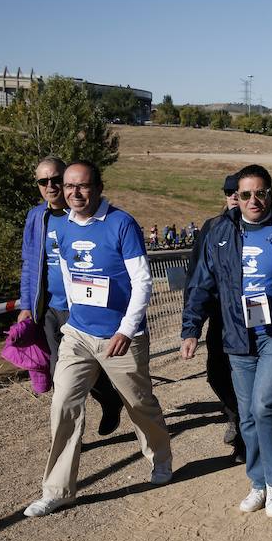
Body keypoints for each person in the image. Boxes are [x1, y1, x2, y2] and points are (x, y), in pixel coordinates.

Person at [24, 161, 173, 517]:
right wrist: (73, 317)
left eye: (82, 186)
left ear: (99, 187)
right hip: (78, 333)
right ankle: (57, 490)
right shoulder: (65, 227)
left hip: (121, 336)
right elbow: (67, 272)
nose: (74, 193)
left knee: (139, 405)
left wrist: (126, 329)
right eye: (69, 186)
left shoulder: (121, 224)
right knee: (63, 404)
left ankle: (161, 457)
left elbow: (142, 282)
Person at [181, 164, 272, 518]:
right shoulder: (220, 232)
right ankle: (258, 483)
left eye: (259, 193)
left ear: (270, 194)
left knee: (265, 407)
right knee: (246, 414)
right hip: (237, 333)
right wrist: (191, 329)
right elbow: (201, 284)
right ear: (237, 197)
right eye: (245, 194)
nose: (252, 200)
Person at [18, 157, 124, 436]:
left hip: (85, 307)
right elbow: (29, 264)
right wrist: (27, 305)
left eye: (56, 179)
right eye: (44, 181)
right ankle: (71, 437)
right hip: (51, 307)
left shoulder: (83, 213)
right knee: (62, 376)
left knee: (94, 369)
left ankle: (111, 400)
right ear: (38, 185)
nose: (50, 186)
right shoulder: (36, 218)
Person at [184, 174, 245, 462]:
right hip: (221, 316)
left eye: (239, 191)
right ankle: (234, 413)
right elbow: (197, 275)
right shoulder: (211, 228)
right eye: (229, 191)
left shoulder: (264, 226)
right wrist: (192, 324)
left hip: (254, 317)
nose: (234, 196)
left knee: (247, 379)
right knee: (217, 374)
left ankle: (246, 438)